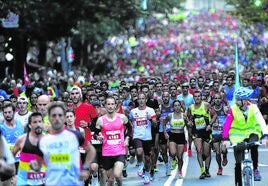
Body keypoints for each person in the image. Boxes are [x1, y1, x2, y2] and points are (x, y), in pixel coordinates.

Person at [36, 102, 96, 186]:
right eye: (54, 116)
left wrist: (85, 168)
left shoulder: (75, 134)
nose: (57, 118)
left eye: (59, 115)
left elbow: (91, 150)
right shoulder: (46, 137)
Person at [222, 87, 268, 186]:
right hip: (237, 136)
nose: (236, 101)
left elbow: (261, 121)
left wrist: (265, 136)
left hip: (252, 132)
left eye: (238, 99)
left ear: (245, 100)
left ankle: (255, 169)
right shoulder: (232, 109)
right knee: (238, 163)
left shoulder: (253, 108)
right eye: (236, 99)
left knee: (254, 145)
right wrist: (226, 138)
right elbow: (227, 124)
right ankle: (239, 182)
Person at [94, 96, 132, 186]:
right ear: (105, 106)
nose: (110, 106)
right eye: (108, 104)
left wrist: (127, 138)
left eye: (112, 104)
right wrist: (98, 137)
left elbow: (130, 128)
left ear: (115, 105)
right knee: (110, 181)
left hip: (119, 151)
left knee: (117, 174)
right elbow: (95, 134)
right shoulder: (100, 120)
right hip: (107, 152)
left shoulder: (122, 117)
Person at [187, 90, 217, 179]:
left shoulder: (206, 105)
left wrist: (210, 124)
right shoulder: (190, 107)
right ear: (193, 98)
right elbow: (187, 117)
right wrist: (189, 123)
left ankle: (207, 170)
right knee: (199, 150)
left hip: (206, 131)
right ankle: (202, 171)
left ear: (201, 97)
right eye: (195, 96)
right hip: (196, 132)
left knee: (206, 153)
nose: (197, 98)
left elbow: (214, 115)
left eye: (199, 96)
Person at [129, 92, 157, 185]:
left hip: (147, 137)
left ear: (145, 100)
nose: (141, 100)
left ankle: (147, 175)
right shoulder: (133, 111)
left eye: (143, 98)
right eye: (139, 99)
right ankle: (140, 164)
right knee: (139, 151)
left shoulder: (150, 110)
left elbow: (155, 124)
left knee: (148, 159)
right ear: (137, 100)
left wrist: (150, 119)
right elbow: (130, 122)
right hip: (137, 136)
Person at [12, 112, 46, 186]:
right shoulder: (22, 139)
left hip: (42, 180)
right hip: (23, 181)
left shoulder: (48, 140)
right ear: (29, 125)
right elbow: (11, 157)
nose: (38, 124)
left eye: (40, 121)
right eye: (35, 122)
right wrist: (13, 176)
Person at [164, 100, 188, 179]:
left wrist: (189, 124)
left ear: (180, 106)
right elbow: (164, 122)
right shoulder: (170, 115)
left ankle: (180, 171)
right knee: (173, 152)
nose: (177, 107)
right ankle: (173, 159)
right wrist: (165, 133)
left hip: (181, 136)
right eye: (175, 105)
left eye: (178, 105)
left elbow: (188, 123)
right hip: (172, 135)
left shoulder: (183, 116)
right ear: (173, 107)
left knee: (180, 157)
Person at [211, 93, 229, 176]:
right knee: (217, 152)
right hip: (215, 134)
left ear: (221, 100)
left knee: (223, 150)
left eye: (219, 98)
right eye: (216, 98)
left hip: (224, 134)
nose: (217, 100)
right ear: (213, 100)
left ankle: (225, 156)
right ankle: (219, 168)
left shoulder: (225, 109)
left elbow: (230, 118)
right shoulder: (210, 110)